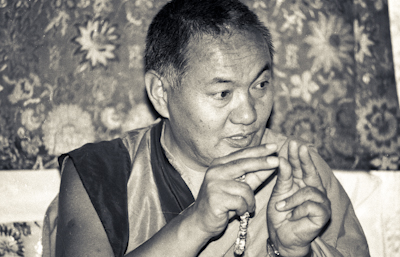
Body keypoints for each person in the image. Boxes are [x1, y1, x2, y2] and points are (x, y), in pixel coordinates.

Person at [42, 0, 370, 256]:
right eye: (223, 93)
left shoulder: (299, 171)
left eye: (260, 85)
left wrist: (291, 252)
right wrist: (196, 222)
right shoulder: (102, 174)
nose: (248, 115)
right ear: (161, 93)